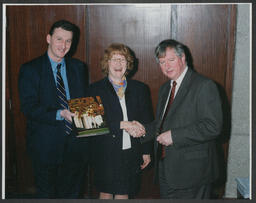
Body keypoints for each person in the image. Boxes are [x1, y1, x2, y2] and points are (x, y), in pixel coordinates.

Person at [129, 39, 223, 199]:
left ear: (183, 58)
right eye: (162, 62)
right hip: (166, 169)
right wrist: (142, 129)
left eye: (171, 60)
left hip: (193, 173)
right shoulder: (166, 88)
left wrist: (174, 136)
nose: (167, 66)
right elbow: (161, 124)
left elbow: (212, 126)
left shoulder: (204, 85)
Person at [18, 20, 90, 198]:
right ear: (48, 39)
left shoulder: (79, 68)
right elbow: (28, 108)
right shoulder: (30, 69)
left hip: (75, 147)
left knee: (73, 195)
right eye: (59, 39)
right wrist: (60, 114)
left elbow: (84, 103)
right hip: (45, 148)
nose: (63, 45)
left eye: (68, 41)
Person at [87, 43, 154, 199]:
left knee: (124, 192)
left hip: (130, 151)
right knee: (105, 192)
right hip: (104, 151)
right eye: (113, 59)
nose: (118, 64)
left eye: (122, 60)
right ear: (107, 63)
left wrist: (146, 151)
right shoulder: (93, 89)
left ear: (128, 64)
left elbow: (147, 122)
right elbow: (88, 126)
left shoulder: (140, 89)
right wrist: (122, 124)